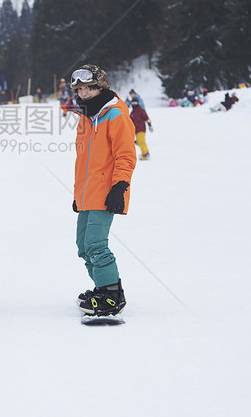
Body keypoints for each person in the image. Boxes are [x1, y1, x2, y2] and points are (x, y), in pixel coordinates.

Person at [70, 64, 137, 317]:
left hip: (107, 192)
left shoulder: (115, 114)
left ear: (100, 86)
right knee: (83, 246)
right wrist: (78, 195)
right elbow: (82, 162)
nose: (84, 93)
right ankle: (101, 288)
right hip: (88, 194)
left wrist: (120, 186)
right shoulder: (86, 117)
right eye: (80, 88)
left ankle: (111, 294)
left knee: (96, 245)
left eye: (89, 87)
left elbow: (126, 155)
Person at [128, 94, 153, 160]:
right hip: (136, 130)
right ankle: (146, 152)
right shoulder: (132, 112)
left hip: (141, 129)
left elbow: (146, 118)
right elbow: (129, 121)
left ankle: (145, 154)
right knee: (139, 142)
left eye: (135, 103)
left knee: (141, 141)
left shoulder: (141, 110)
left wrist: (149, 125)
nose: (134, 104)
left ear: (138, 103)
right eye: (133, 103)